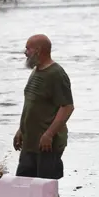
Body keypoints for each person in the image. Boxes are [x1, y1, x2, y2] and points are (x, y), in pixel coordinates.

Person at [13, 34, 74, 185]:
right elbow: (32, 105)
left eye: (28, 48)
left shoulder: (56, 74)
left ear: (38, 50)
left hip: (47, 144)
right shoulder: (35, 71)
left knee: (46, 188)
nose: (25, 52)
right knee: (23, 184)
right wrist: (21, 130)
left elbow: (67, 107)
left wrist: (49, 134)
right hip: (29, 143)